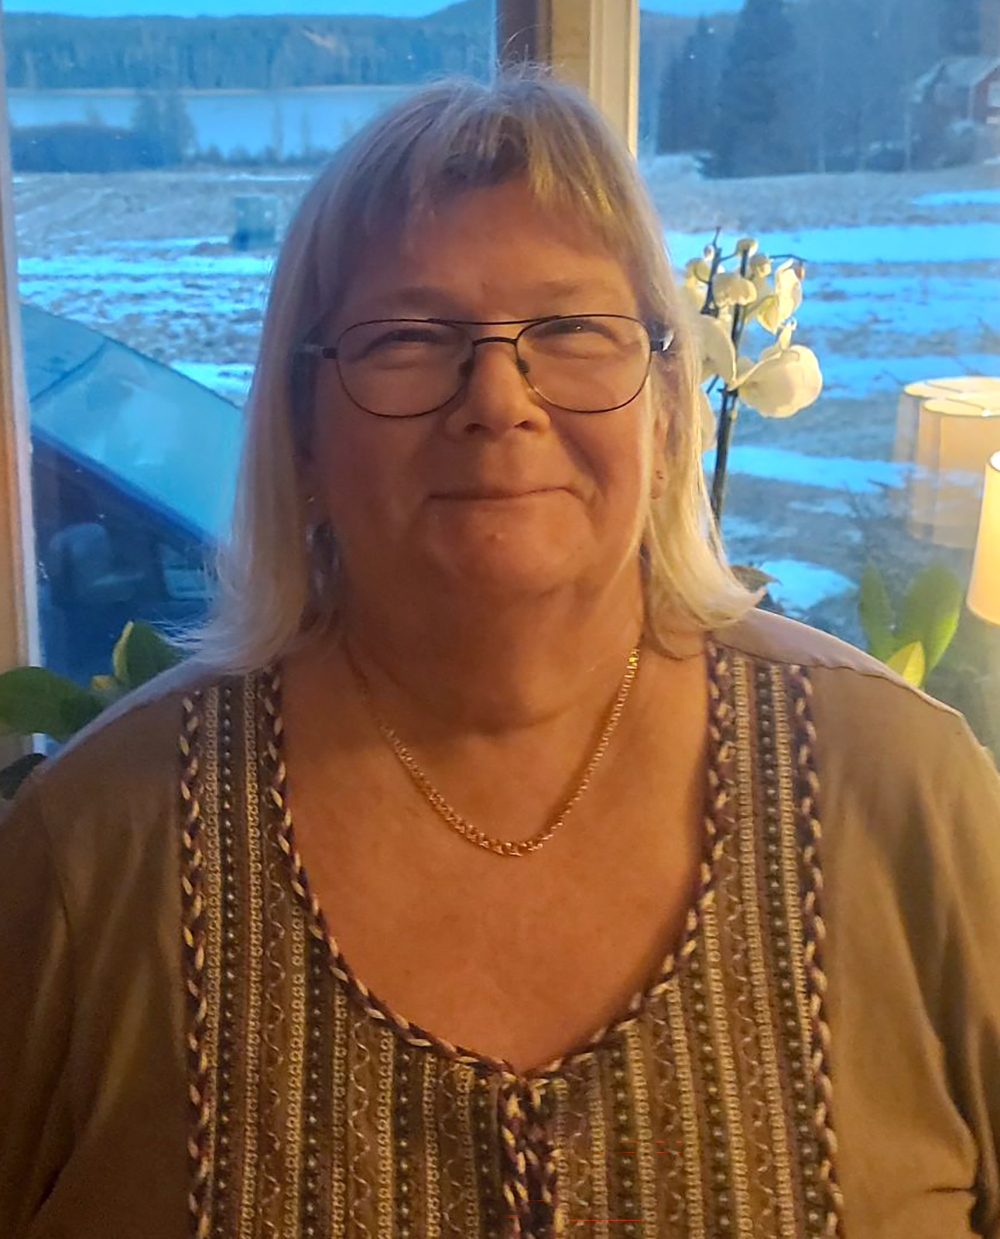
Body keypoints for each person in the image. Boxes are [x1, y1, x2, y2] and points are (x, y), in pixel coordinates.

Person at [1, 68, 998, 1239]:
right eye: (409, 337)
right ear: (303, 426)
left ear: (666, 405)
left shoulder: (904, 795)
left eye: (570, 329)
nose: (496, 398)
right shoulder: (98, 850)